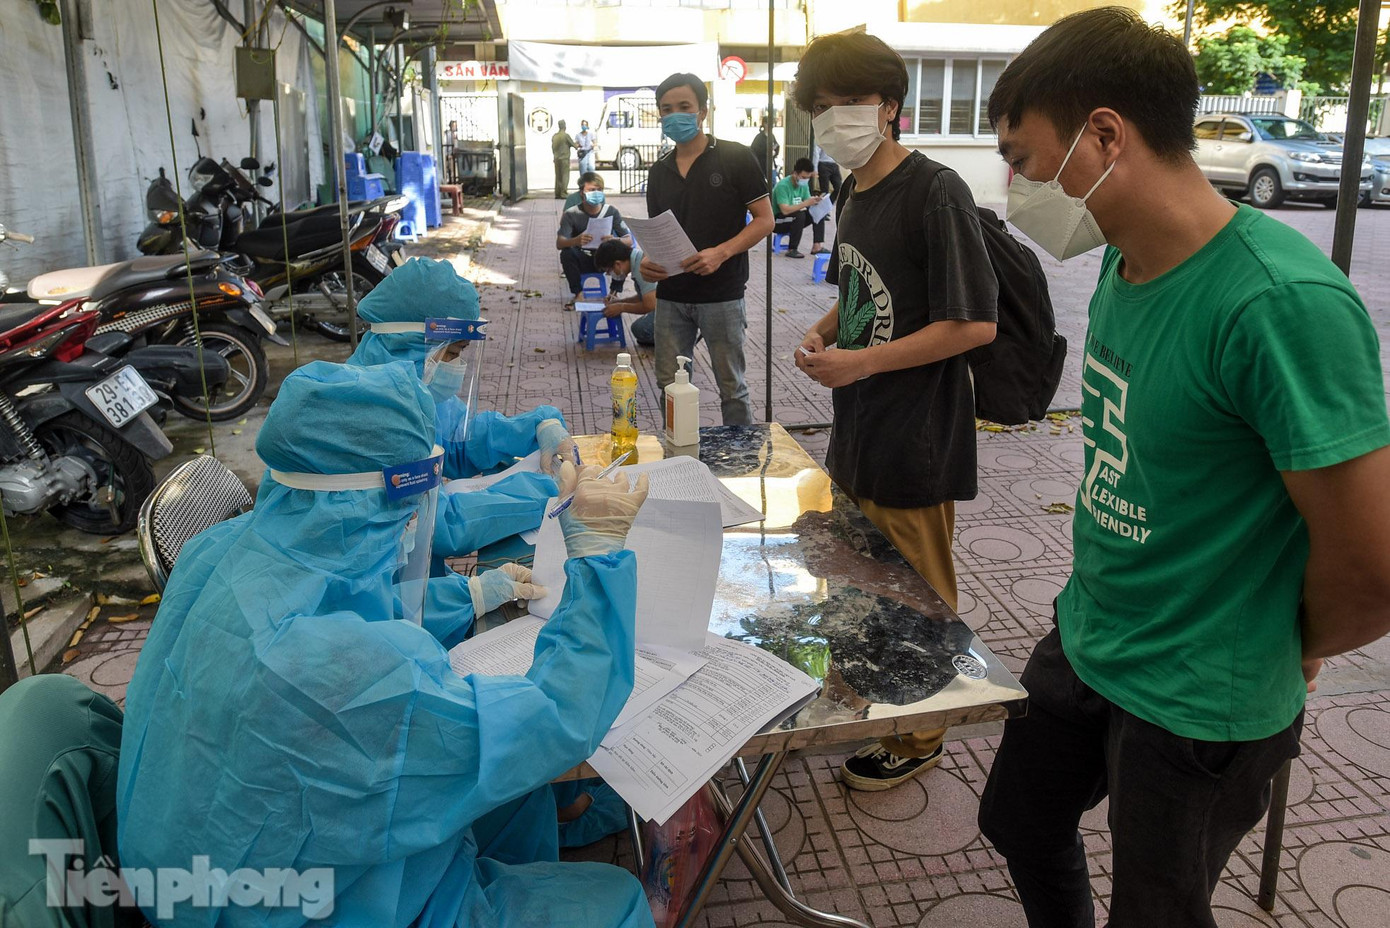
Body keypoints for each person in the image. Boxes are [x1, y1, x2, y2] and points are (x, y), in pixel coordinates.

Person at [972, 10, 1390, 928]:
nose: (1019, 186)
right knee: (1017, 820)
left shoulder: (1281, 305)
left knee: (1159, 911)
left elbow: (1371, 569)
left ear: (1107, 135)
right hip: (1092, 637)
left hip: (1201, 697)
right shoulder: (1126, 266)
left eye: (1027, 157)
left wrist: (1293, 642)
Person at [117, 359, 655, 927]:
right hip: (319, 902)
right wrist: (596, 564)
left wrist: (470, 595)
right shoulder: (343, 670)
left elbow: (366, 601)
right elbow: (554, 718)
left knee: (516, 798)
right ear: (388, 500)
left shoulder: (219, 551)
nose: (415, 523)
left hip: (205, 860)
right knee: (614, 898)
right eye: (412, 506)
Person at [791, 32, 999, 792]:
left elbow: (973, 322)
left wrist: (863, 361)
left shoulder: (936, 189)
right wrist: (822, 331)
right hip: (859, 429)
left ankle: (921, 733)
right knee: (863, 572)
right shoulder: (852, 191)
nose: (830, 119)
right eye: (817, 107)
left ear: (888, 106)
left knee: (920, 590)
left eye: (842, 102)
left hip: (917, 437)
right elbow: (856, 292)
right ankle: (878, 686)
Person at [643, 72, 774, 426]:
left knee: (731, 386)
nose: (675, 115)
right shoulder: (659, 171)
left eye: (684, 106)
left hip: (722, 295)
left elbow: (765, 220)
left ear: (703, 110)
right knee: (669, 385)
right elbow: (659, 232)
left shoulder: (736, 157)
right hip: (671, 296)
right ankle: (679, 457)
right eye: (666, 109)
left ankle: (740, 463)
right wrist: (647, 264)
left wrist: (722, 252)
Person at [557, 172, 632, 309]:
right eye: (591, 190)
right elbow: (560, 243)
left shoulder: (611, 212)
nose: (596, 193)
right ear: (581, 193)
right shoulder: (572, 213)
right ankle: (578, 294)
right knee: (566, 253)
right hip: (583, 258)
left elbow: (628, 240)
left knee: (624, 252)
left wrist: (614, 239)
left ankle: (614, 292)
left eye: (599, 190)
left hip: (606, 260)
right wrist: (576, 241)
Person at [594, 238, 657, 347]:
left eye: (609, 271)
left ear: (617, 264)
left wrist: (621, 307)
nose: (611, 274)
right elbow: (644, 296)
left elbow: (650, 304)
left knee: (640, 329)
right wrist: (620, 302)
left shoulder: (641, 267)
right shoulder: (636, 260)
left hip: (673, 308)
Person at [772, 157, 828, 259]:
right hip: (778, 221)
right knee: (799, 215)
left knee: (818, 212)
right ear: (795, 173)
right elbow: (785, 210)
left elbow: (807, 201)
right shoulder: (783, 186)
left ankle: (817, 246)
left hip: (793, 218)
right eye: (803, 177)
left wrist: (815, 201)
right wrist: (805, 203)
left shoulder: (804, 185)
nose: (805, 180)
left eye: (808, 177)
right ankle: (792, 249)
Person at [750, 115, 780, 181]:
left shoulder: (772, 135)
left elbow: (777, 146)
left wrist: (774, 152)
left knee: (773, 183)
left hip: (771, 164)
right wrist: (767, 151)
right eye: (769, 123)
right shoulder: (759, 137)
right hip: (762, 165)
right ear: (764, 124)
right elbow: (754, 150)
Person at [552, 119, 576, 199]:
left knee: (558, 176)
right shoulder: (566, 136)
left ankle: (557, 193)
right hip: (564, 158)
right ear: (564, 126)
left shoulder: (555, 136)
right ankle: (563, 193)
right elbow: (574, 145)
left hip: (556, 158)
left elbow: (553, 148)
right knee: (565, 176)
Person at [445, 119, 460, 183]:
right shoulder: (448, 134)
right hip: (449, 154)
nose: (455, 127)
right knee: (450, 169)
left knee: (453, 170)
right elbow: (447, 144)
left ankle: (453, 181)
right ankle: (451, 181)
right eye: (454, 126)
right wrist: (448, 154)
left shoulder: (454, 134)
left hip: (453, 154)